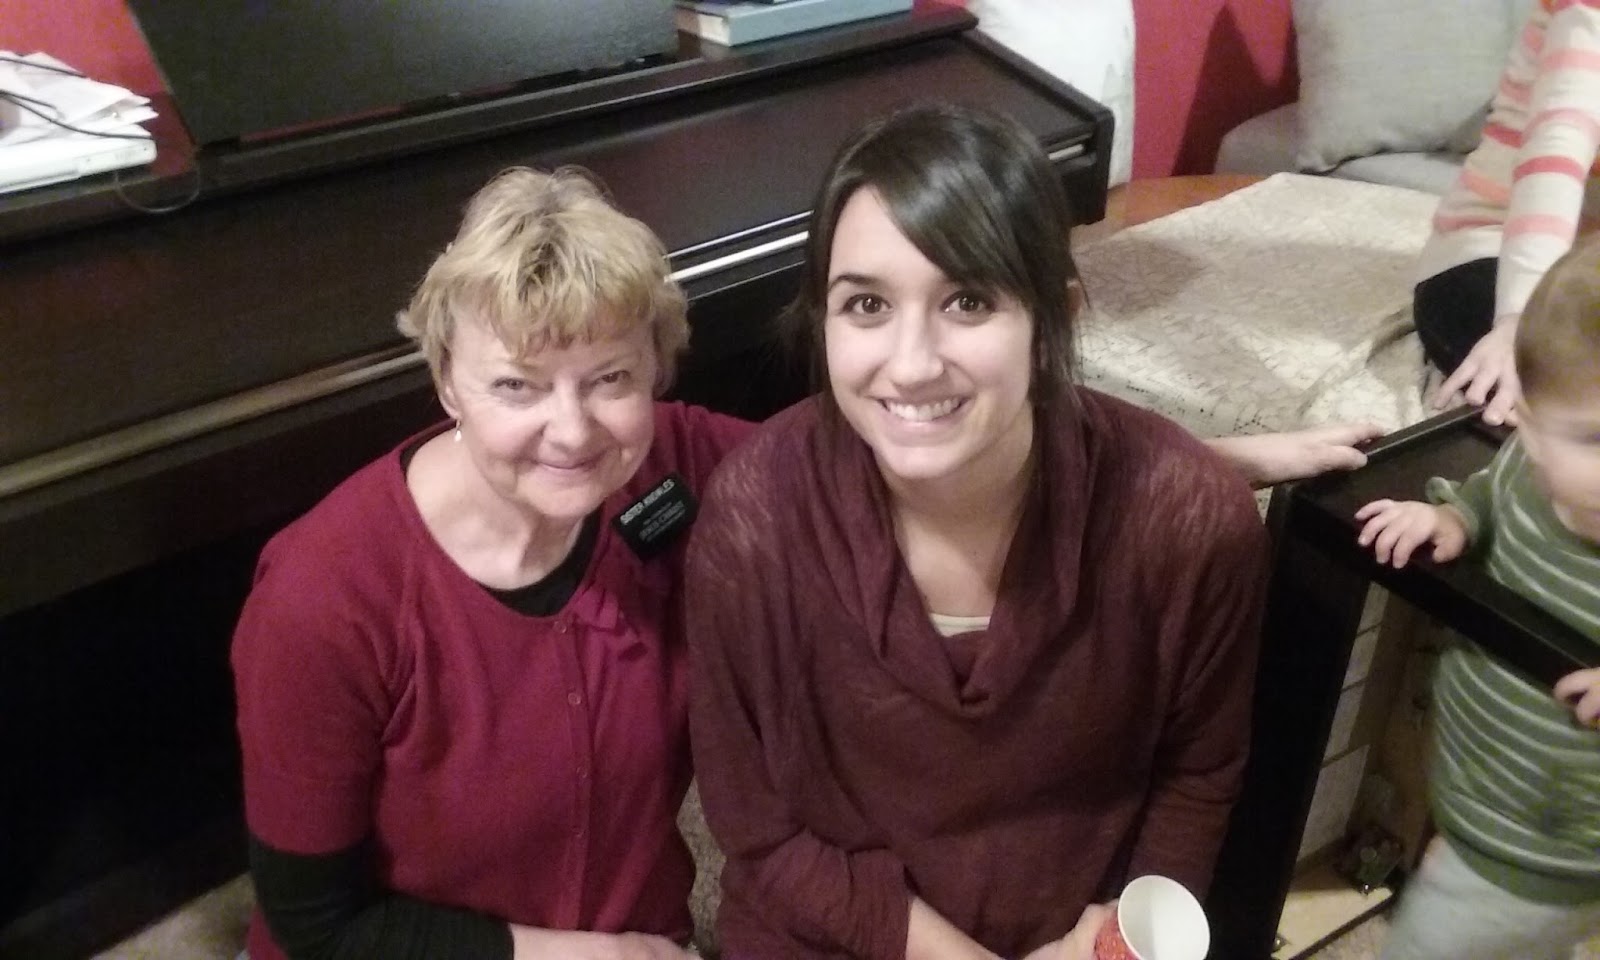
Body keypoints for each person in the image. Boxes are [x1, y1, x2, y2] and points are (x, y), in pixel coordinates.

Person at [685, 103, 1273, 960]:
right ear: (822, 320)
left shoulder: (1189, 525)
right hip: (829, 937)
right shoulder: (754, 523)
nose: (912, 363)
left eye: (967, 300)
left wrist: (1120, 936)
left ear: (1053, 320)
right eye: (866, 304)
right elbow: (757, 829)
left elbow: (1199, 773)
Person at [230, 166, 752, 960]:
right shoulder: (324, 600)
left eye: (610, 377)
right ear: (448, 383)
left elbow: (846, 461)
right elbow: (317, 928)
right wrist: (590, 957)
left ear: (654, 368)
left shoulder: (671, 461)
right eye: (517, 385)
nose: (571, 432)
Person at [1355, 233, 1600, 960]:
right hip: (1478, 794)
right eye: (1591, 438)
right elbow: (1487, 495)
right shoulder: (1525, 467)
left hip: (1556, 846)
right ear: (1528, 419)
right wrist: (1452, 520)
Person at [1413, 0, 1600, 427]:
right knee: (1567, 383)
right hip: (1492, 252)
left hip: (1585, 264)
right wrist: (1521, 317)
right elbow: (1557, 149)